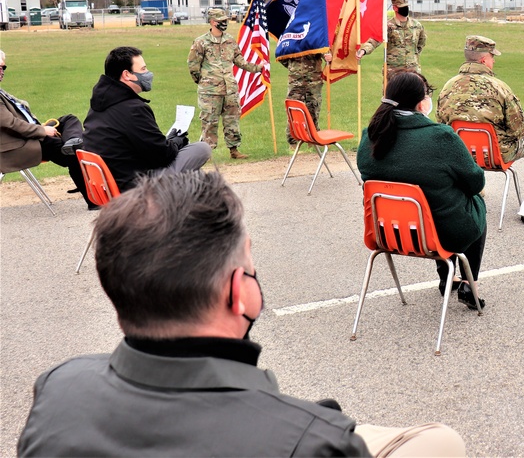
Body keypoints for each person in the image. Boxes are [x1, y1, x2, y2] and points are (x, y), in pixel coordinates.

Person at [17, 171, 466, 457]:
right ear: (239, 294)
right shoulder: (314, 440)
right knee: (442, 442)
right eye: (249, 265)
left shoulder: (58, 385)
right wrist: (308, 418)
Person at [357, 71, 489, 309]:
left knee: (438, 199)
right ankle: (470, 284)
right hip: (437, 235)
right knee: (474, 203)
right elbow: (476, 182)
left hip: (389, 233)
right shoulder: (441, 137)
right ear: (421, 102)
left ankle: (446, 278)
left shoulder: (370, 136)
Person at [437, 35, 524, 208]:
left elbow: (442, 127)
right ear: (484, 59)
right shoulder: (499, 87)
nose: (494, 61)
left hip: (462, 154)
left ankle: (475, 187)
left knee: (465, 140)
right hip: (498, 154)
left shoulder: (448, 86)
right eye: (492, 57)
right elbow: (518, 130)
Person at [83, 46, 211, 192]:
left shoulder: (98, 105)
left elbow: (138, 147)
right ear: (127, 75)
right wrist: (175, 142)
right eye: (143, 69)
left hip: (108, 184)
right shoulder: (132, 108)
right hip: (135, 185)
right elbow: (162, 157)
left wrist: (168, 142)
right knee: (202, 149)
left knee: (194, 175)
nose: (148, 73)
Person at [0, 50, 94, 209]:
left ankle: (71, 143)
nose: (2, 71)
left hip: (29, 135)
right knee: (72, 155)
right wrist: (42, 131)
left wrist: (40, 128)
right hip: (19, 145)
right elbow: (11, 124)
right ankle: (93, 201)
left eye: (3, 67)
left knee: (68, 120)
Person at [187, 8, 264, 159]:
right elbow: (193, 65)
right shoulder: (201, 42)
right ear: (212, 22)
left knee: (232, 120)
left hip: (230, 90)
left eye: (225, 20)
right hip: (210, 91)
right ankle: (205, 153)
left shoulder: (230, 40)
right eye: (220, 21)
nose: (224, 23)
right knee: (209, 122)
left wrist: (257, 68)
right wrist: (204, 82)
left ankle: (234, 150)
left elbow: (239, 60)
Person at [357, 0, 427, 74]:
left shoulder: (416, 25)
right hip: (394, 71)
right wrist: (364, 50)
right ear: (395, 8)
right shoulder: (388, 26)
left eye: (406, 6)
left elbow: (421, 42)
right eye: (402, 7)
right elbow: (374, 41)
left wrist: (413, 56)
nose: (405, 9)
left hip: (412, 70)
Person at [280, 49, 333, 145]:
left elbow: (326, 51)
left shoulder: (315, 36)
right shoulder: (291, 36)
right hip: (295, 81)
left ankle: (313, 142)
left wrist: (329, 56)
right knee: (293, 112)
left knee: (313, 110)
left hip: (313, 81)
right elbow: (281, 55)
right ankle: (293, 143)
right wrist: (294, 67)